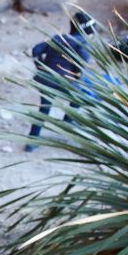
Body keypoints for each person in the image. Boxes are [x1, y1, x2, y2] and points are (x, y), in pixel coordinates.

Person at [26, 11, 98, 152]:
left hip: (45, 79)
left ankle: (31, 141)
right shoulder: (82, 43)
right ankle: (68, 124)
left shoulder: (58, 38)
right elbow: (81, 64)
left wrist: (40, 66)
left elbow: (35, 50)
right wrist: (77, 76)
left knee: (44, 109)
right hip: (64, 82)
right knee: (80, 98)